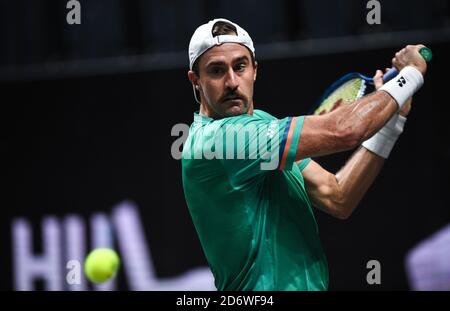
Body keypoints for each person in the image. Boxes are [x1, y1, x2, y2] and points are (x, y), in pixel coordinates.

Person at [181, 18, 427, 290]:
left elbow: (337, 196)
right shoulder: (220, 140)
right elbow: (346, 130)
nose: (231, 81)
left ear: (254, 70)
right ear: (196, 81)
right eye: (216, 71)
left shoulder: (260, 125)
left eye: (240, 66)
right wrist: (412, 74)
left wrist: (391, 123)